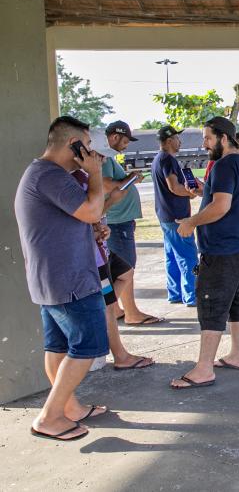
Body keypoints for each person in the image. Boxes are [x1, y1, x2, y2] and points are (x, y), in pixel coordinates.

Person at [14, 116, 110, 441]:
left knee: (57, 348)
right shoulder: (50, 175)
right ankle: (50, 417)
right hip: (68, 280)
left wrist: (92, 229)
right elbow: (91, 210)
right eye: (88, 146)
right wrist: (95, 174)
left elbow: (82, 217)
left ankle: (69, 408)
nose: (93, 154)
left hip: (52, 278)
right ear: (74, 145)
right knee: (88, 346)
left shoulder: (42, 174)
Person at [170, 117, 239, 389]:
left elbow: (221, 206)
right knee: (236, 299)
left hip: (221, 248)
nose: (204, 144)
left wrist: (190, 222)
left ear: (223, 138)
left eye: (207, 138)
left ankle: (204, 368)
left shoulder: (222, 165)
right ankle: (237, 354)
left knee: (211, 303)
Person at [71, 168, 157, 373]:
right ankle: (120, 355)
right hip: (92, 256)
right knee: (108, 305)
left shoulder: (85, 175)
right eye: (97, 154)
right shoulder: (73, 179)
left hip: (101, 250)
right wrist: (112, 201)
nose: (100, 159)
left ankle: (102, 311)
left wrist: (100, 228)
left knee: (125, 273)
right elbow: (86, 214)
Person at [152, 126, 201, 307]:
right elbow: (173, 186)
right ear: (170, 140)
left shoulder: (158, 159)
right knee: (188, 257)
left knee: (172, 257)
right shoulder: (168, 159)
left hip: (165, 215)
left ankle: (175, 293)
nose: (180, 142)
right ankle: (192, 295)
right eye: (177, 139)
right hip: (177, 217)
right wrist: (190, 193)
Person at [100, 121, 143, 267]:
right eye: (125, 141)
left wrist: (131, 180)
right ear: (114, 137)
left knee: (125, 267)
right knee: (125, 269)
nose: (126, 146)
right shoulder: (104, 158)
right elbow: (105, 186)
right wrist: (130, 179)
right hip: (117, 223)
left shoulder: (108, 158)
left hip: (121, 221)